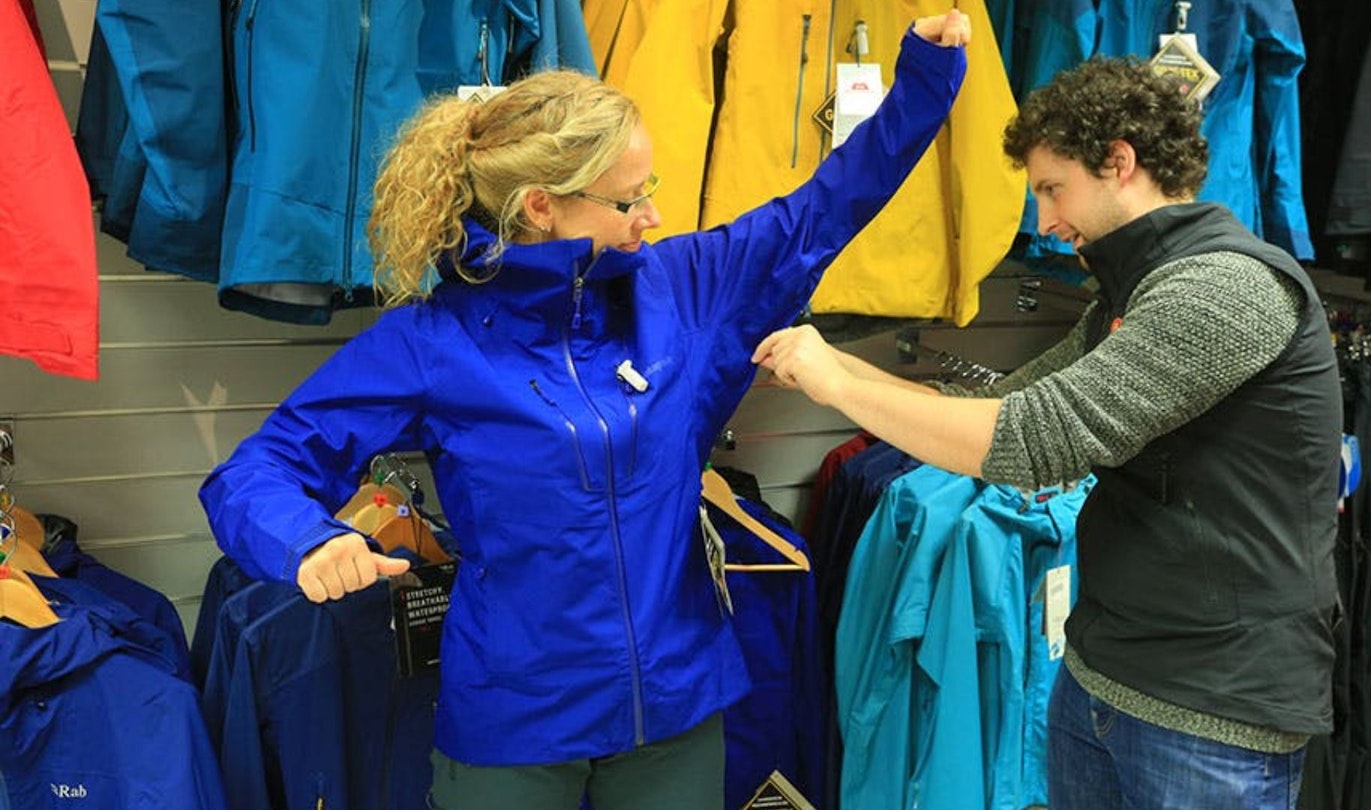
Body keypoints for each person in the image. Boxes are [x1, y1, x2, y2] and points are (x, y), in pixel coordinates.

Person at [198, 11, 971, 810]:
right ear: (541, 206)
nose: (654, 218)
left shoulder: (686, 287)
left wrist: (923, 78)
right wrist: (306, 542)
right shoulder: (434, 343)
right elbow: (255, 469)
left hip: (674, 714)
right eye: (629, 200)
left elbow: (827, 206)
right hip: (514, 730)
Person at [753, 56, 1342, 810]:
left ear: (1119, 163)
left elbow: (1034, 441)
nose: (1046, 221)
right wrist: (835, 367)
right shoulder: (1130, 298)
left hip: (1211, 712)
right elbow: (1006, 400)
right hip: (1102, 676)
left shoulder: (1225, 289)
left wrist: (835, 384)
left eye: (1052, 188)